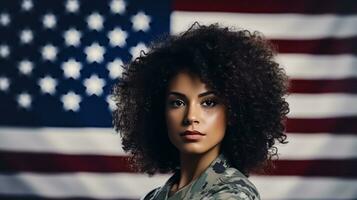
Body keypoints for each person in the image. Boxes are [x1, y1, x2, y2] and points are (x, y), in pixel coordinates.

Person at [112, 22, 289, 200]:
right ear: (159, 113)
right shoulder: (156, 196)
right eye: (177, 102)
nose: (191, 117)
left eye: (209, 102)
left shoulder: (232, 195)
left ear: (234, 112)